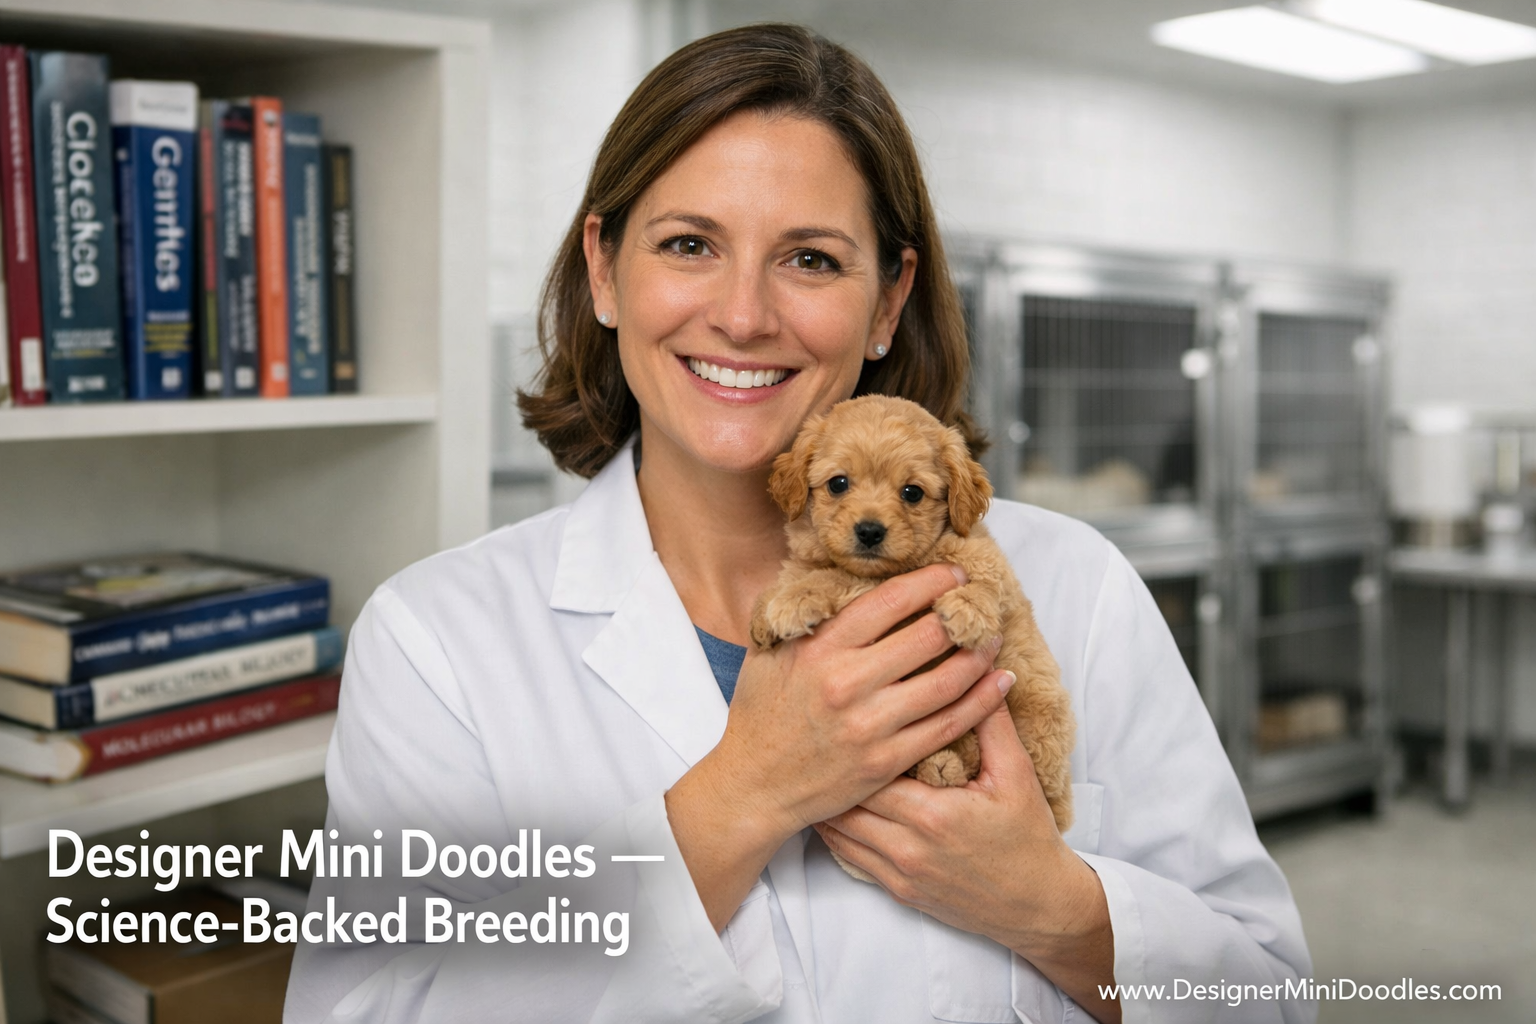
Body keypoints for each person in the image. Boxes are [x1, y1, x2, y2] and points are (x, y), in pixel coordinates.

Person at [284, 24, 1312, 1024]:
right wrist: (745, 794)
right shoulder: (437, 640)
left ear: (887, 301)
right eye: (689, 244)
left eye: (811, 260)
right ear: (603, 270)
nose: (742, 315)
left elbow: (1266, 991)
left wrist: (1055, 910)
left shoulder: (1075, 585)